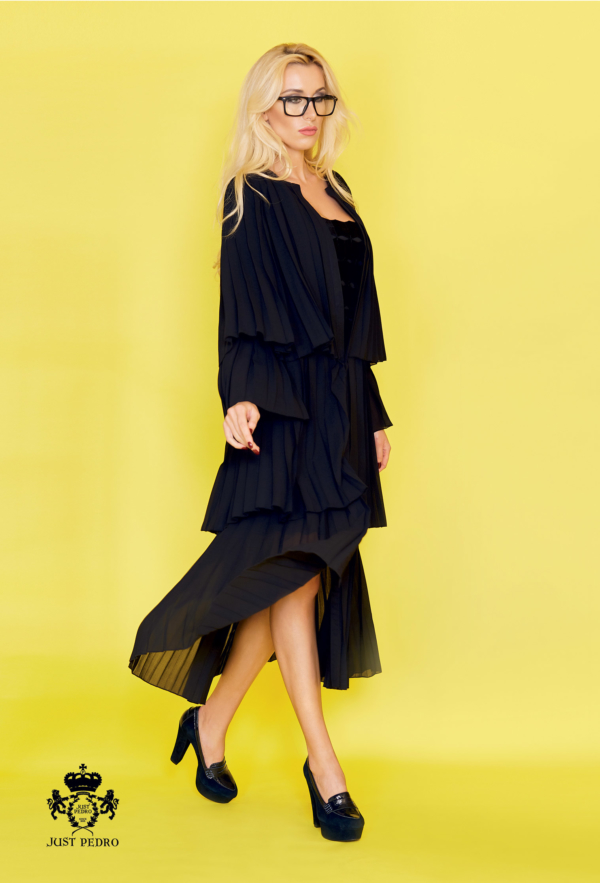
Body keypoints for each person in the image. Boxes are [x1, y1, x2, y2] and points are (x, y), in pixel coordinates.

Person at [129, 42, 392, 843]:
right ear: (262, 109)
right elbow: (238, 311)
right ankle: (325, 766)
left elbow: (357, 315)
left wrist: (375, 412)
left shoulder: (336, 188)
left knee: (286, 583)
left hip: (339, 409)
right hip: (282, 409)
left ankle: (210, 725)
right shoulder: (251, 194)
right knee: (298, 583)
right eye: (291, 99)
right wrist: (237, 395)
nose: (307, 114)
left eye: (319, 98)